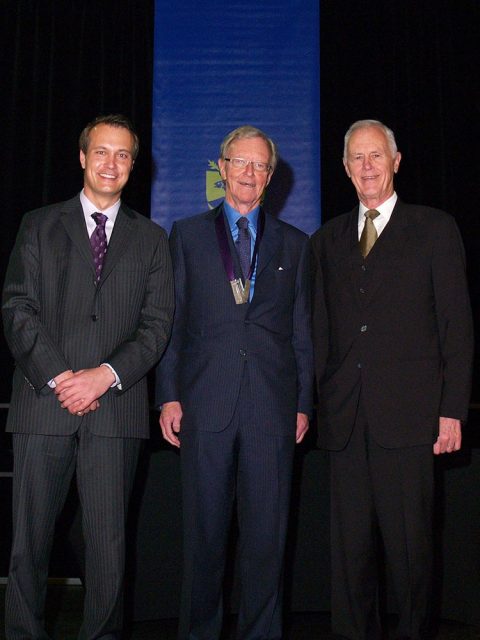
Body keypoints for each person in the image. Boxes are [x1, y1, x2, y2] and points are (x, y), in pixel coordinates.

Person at [2, 114, 174, 640]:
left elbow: (157, 324)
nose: (111, 163)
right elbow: (17, 308)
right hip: (43, 408)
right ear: (82, 157)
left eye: (122, 155)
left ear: (133, 165)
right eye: (101, 152)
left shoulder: (152, 239)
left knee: (108, 553)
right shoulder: (38, 224)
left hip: (115, 414)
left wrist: (103, 377)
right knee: (29, 547)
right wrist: (61, 378)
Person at [310, 119, 473, 639]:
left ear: (396, 161)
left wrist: (452, 409)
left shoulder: (435, 228)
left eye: (376, 155)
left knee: (410, 556)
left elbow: (457, 327)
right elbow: (318, 331)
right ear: (344, 168)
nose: (367, 166)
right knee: (348, 559)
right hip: (344, 422)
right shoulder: (326, 239)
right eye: (357, 158)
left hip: (411, 421)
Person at [156, 125, 313, 640]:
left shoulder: (295, 243)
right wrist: (170, 395)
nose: (249, 173)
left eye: (260, 165)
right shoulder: (187, 235)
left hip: (272, 410)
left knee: (267, 542)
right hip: (205, 405)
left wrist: (303, 403)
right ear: (221, 169)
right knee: (203, 539)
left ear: (271, 177)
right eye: (240, 163)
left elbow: (302, 333)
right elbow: (173, 322)